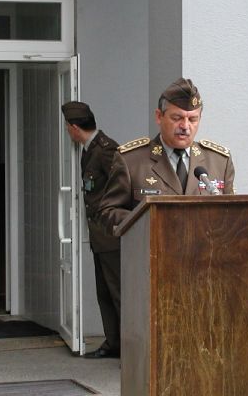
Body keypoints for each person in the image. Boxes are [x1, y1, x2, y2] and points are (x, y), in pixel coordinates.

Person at [98, 78, 235, 234]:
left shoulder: (219, 162)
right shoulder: (131, 161)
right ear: (159, 116)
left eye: (192, 119)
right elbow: (108, 212)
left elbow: (232, 214)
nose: (185, 126)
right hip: (153, 246)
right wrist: (150, 221)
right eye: (177, 118)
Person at [61, 101, 121, 359]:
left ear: (75, 128)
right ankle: (114, 343)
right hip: (100, 237)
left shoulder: (107, 151)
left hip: (111, 235)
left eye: (67, 127)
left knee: (119, 293)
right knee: (105, 292)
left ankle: (129, 348)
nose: (67, 132)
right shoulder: (89, 150)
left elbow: (122, 189)